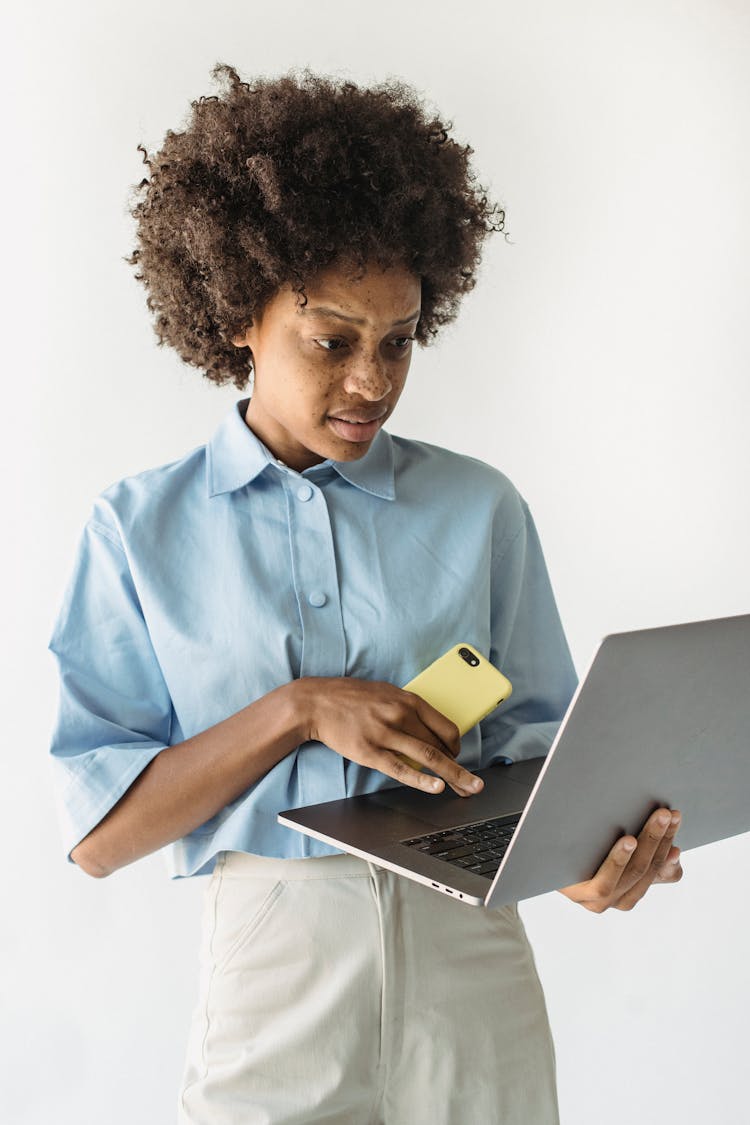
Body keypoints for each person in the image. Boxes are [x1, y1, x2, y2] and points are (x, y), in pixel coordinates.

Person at [47, 63, 684, 1124]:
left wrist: (589, 864)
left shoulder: (480, 508)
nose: (373, 381)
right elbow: (100, 838)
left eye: (398, 342)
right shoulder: (137, 530)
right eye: (332, 340)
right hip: (274, 959)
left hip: (471, 946)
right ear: (235, 314)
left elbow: (541, 760)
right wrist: (297, 710)